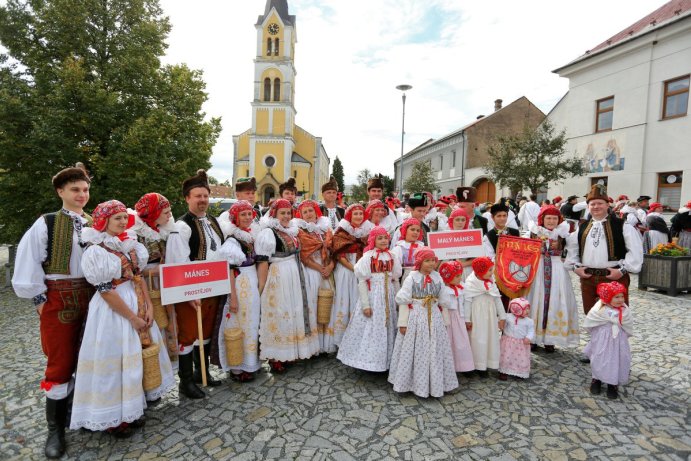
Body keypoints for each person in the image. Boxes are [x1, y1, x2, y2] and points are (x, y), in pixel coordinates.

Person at [71, 200, 174, 436]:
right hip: (113, 310)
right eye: (115, 218)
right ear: (102, 221)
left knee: (133, 358)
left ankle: (132, 408)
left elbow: (138, 277)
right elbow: (105, 290)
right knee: (116, 360)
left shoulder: (128, 245)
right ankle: (112, 417)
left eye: (122, 217)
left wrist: (148, 306)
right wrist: (131, 317)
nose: (121, 222)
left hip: (134, 298)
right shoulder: (96, 250)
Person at [12, 164, 94, 458]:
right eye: (75, 189)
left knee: (89, 357)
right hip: (58, 298)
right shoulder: (46, 223)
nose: (81, 194)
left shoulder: (96, 222)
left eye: (85, 189)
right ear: (61, 191)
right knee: (60, 363)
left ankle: (81, 412)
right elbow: (28, 262)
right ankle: (55, 429)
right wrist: (40, 300)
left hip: (94, 296)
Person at [166, 169, 226, 398]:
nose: (202, 200)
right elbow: (177, 262)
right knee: (188, 334)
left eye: (205, 196)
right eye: (197, 196)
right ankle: (186, 382)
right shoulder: (182, 227)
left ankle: (203, 373)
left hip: (212, 285)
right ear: (187, 198)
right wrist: (188, 292)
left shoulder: (212, 221)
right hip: (190, 289)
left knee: (206, 332)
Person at [256, 199, 320, 371]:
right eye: (282, 213)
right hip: (279, 276)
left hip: (295, 274)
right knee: (279, 312)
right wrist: (260, 288)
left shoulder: (292, 230)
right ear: (274, 214)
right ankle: (276, 356)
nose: (285, 216)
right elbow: (262, 262)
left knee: (294, 311)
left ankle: (290, 353)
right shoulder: (268, 233)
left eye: (288, 213)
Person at [388, 248, 458, 398]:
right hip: (417, 316)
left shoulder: (437, 277)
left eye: (433, 260)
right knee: (416, 349)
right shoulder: (412, 277)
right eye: (427, 261)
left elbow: (444, 299)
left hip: (434, 317)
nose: (431, 263)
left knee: (435, 348)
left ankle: (436, 383)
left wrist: (444, 319)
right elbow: (404, 300)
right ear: (419, 262)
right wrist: (403, 323)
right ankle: (413, 383)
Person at [565, 184, 643, 315]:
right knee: (592, 316)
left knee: (616, 317)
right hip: (588, 279)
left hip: (613, 278)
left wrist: (622, 270)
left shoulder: (622, 225)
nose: (596, 207)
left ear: (608, 205)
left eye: (600, 203)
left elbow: (635, 250)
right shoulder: (582, 227)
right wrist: (575, 267)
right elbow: (573, 248)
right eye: (592, 204)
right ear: (588, 207)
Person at [337, 226, 401, 371]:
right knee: (373, 327)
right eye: (380, 238)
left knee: (388, 326)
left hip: (388, 296)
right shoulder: (368, 258)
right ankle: (370, 361)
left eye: (385, 238)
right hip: (374, 297)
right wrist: (366, 305)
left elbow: (395, 279)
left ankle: (388, 360)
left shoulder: (392, 256)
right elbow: (362, 282)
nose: (384, 241)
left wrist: (398, 301)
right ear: (373, 240)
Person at [128, 193, 179, 367]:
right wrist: (154, 271)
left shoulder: (163, 230)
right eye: (165, 212)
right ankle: (150, 366)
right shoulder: (135, 233)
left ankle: (163, 368)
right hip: (145, 284)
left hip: (162, 282)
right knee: (152, 324)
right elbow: (132, 266)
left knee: (166, 322)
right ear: (153, 213)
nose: (169, 215)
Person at [217, 200, 262, 382]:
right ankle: (237, 366)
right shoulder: (232, 240)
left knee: (251, 323)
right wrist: (232, 298)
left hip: (251, 281)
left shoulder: (249, 236)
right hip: (240, 283)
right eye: (242, 214)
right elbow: (229, 270)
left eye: (249, 214)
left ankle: (250, 362)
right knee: (238, 324)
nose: (247, 218)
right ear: (235, 217)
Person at [526, 205, 579, 352]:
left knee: (555, 300)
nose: (551, 221)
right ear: (542, 219)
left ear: (559, 220)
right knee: (536, 298)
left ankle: (551, 338)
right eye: (548, 218)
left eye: (554, 218)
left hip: (556, 269)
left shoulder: (563, 234)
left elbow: (573, 252)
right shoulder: (533, 232)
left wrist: (562, 248)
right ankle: (533, 338)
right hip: (538, 268)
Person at [329, 203, 374, 351]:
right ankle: (342, 339)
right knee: (344, 300)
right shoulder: (341, 232)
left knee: (359, 301)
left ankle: (358, 337)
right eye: (355, 214)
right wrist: (355, 269)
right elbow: (339, 254)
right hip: (346, 270)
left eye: (361, 214)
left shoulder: (368, 231)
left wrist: (362, 270)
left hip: (363, 270)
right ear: (349, 216)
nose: (359, 217)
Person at [294, 200, 335, 354]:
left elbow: (334, 250)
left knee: (328, 306)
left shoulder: (325, 229)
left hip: (327, 270)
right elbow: (303, 256)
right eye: (305, 212)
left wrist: (330, 267)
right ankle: (313, 346)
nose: (309, 214)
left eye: (311, 210)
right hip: (312, 270)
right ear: (301, 215)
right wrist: (320, 269)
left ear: (316, 211)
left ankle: (326, 343)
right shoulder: (300, 231)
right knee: (313, 305)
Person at [583, 282, 633, 400]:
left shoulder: (625, 310)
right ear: (607, 297)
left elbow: (628, 324)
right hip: (602, 340)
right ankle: (597, 379)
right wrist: (597, 335)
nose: (621, 299)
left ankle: (612, 384)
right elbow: (590, 322)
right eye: (617, 297)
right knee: (600, 359)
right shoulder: (598, 309)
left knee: (616, 360)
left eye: (622, 296)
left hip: (618, 341)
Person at [463, 257, 506, 377]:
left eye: (492, 269)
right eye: (489, 270)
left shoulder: (491, 282)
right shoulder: (471, 284)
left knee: (489, 339)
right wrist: (467, 319)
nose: (492, 272)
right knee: (476, 340)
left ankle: (485, 364)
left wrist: (502, 317)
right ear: (479, 272)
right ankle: (474, 365)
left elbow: (497, 299)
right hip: (476, 318)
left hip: (490, 318)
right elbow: (467, 302)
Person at [438, 261, 474, 373]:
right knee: (448, 341)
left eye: (460, 275)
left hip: (458, 318)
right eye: (457, 276)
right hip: (447, 318)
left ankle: (462, 366)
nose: (460, 278)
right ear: (448, 277)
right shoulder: (443, 289)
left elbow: (465, 303)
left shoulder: (462, 287)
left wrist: (466, 318)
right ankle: (448, 366)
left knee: (460, 341)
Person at [498, 297, 534, 381]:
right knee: (506, 356)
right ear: (516, 309)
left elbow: (531, 330)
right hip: (508, 342)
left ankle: (519, 371)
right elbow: (502, 322)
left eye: (528, 309)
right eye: (525, 309)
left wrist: (528, 337)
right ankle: (503, 371)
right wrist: (501, 325)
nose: (528, 311)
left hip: (521, 343)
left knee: (520, 358)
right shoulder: (508, 317)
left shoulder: (529, 321)